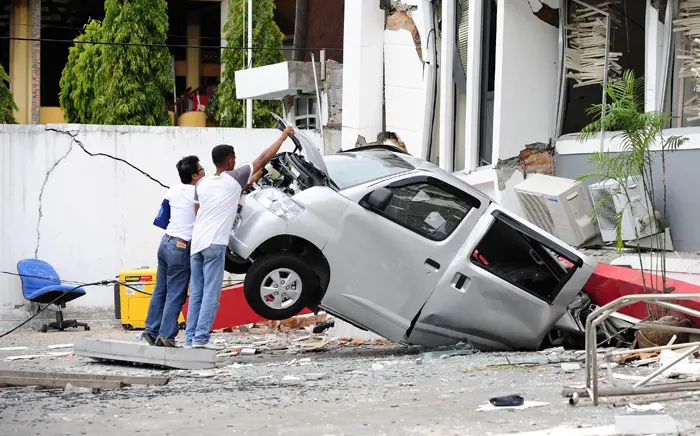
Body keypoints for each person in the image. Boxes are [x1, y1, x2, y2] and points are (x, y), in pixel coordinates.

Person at [185, 127, 295, 349]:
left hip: (196, 244)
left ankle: (190, 339)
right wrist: (283, 137)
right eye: (233, 157)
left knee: (196, 292)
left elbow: (200, 210)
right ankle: (201, 339)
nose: (235, 160)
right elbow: (263, 158)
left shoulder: (203, 184)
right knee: (211, 295)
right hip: (215, 244)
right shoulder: (233, 177)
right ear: (229, 160)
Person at [143, 156, 206, 347]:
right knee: (175, 293)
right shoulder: (199, 191)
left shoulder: (173, 190)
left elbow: (163, 217)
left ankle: (151, 330)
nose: (205, 171)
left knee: (160, 289)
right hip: (180, 246)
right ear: (194, 175)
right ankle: (166, 336)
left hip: (165, 243)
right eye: (202, 169)